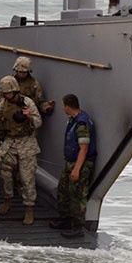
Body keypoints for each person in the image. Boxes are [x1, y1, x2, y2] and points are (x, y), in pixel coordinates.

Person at [0, 75, 42, 225]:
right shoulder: (2, 105)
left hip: (26, 143)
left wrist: (30, 117)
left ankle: (29, 208)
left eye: (8, 93)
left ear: (15, 91)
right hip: (9, 143)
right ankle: (7, 200)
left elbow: (39, 122)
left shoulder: (27, 103)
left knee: (27, 178)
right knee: (5, 175)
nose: (6, 96)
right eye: (4, 93)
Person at [51, 93, 96, 237]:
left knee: (77, 195)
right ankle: (65, 219)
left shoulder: (81, 124)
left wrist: (77, 169)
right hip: (70, 162)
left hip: (80, 164)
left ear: (67, 106)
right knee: (63, 191)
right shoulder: (73, 120)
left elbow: (84, 148)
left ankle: (78, 226)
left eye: (63, 105)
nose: (63, 108)